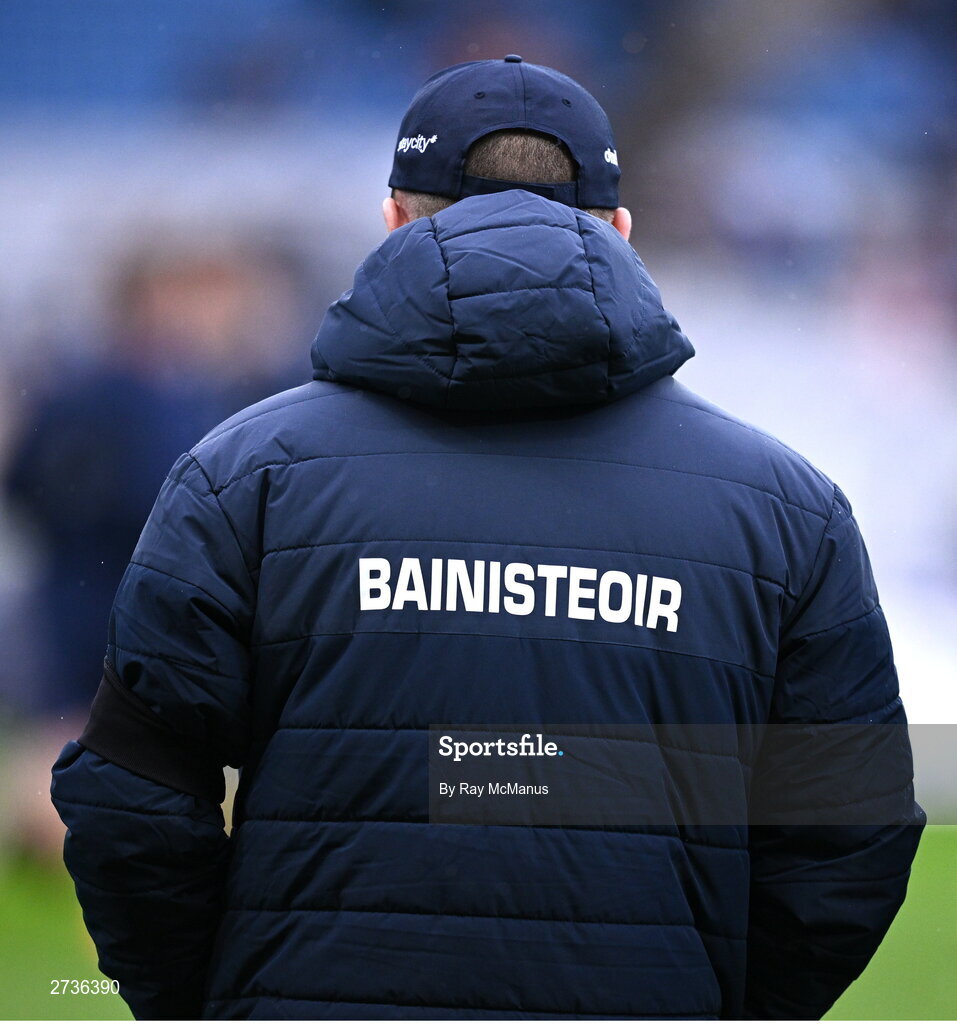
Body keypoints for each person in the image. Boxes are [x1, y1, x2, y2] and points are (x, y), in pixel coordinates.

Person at [52, 57, 924, 1020]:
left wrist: (201, 1000)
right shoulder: (785, 508)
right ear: (620, 232)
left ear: (391, 221)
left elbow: (130, 798)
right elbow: (850, 828)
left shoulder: (241, 474)